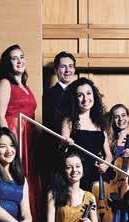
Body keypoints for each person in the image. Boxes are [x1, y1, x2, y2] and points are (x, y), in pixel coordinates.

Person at [0, 44, 41, 219]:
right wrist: (9, 142)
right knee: (18, 174)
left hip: (29, 136)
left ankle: (32, 218)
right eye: (14, 58)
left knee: (31, 176)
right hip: (15, 133)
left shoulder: (26, 86)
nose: (19, 61)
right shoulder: (5, 83)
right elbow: (0, 115)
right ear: (8, 63)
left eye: (21, 57)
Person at [47, 149, 99, 222]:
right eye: (69, 167)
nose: (74, 170)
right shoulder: (53, 194)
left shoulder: (89, 196)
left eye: (78, 166)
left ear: (83, 169)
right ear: (63, 170)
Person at [61, 77, 112, 192]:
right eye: (80, 95)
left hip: (97, 175)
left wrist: (106, 164)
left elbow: (108, 154)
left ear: (94, 95)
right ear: (75, 99)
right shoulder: (69, 121)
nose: (85, 99)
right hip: (78, 174)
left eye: (88, 93)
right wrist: (65, 143)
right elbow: (62, 149)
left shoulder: (100, 122)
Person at [42, 51, 77, 188]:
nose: (68, 70)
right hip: (57, 151)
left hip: (79, 149)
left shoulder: (80, 92)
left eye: (71, 66)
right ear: (56, 70)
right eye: (63, 67)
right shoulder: (48, 95)